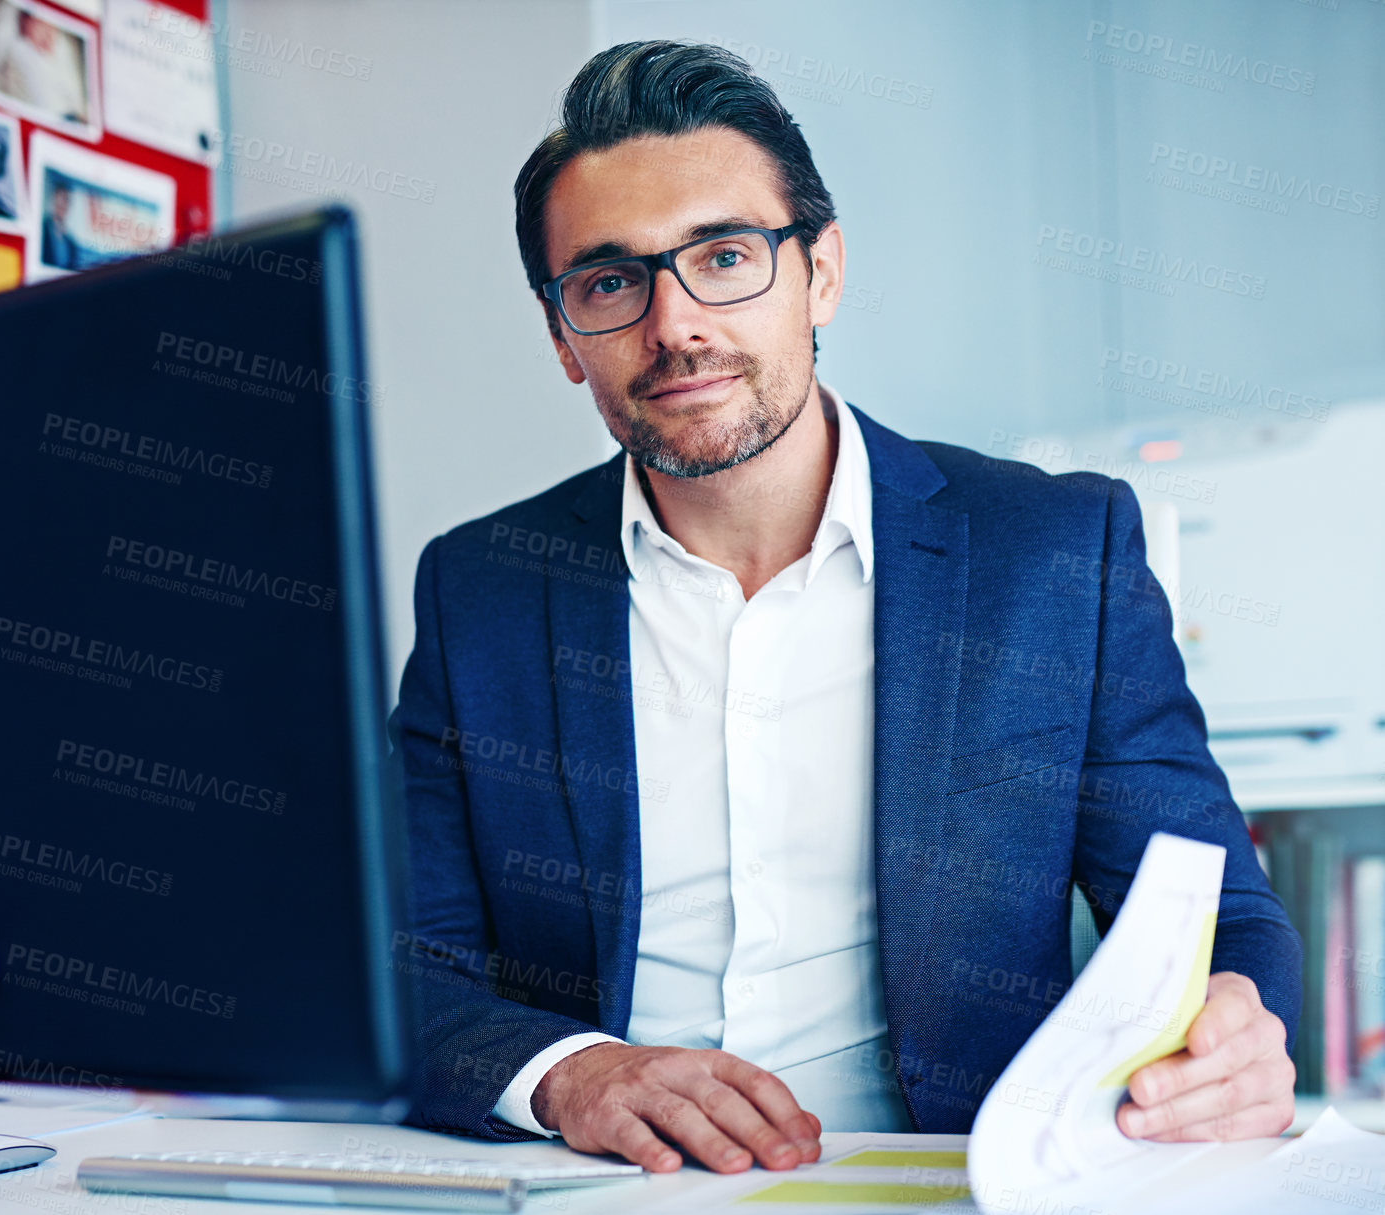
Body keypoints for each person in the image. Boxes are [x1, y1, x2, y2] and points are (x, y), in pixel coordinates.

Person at [389, 40, 1301, 1175]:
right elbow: (401, 968)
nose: (675, 324)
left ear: (820, 270)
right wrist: (573, 1073)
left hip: (953, 1183)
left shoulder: (1053, 553)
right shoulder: (480, 585)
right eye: (611, 281)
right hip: (602, 1188)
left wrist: (1236, 1027)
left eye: (725, 255)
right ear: (563, 336)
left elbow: (1219, 916)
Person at [40, 177, 82, 270]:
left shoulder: (71, 243)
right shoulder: (41, 230)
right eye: (60, 198)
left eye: (67, 200)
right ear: (53, 200)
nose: (63, 204)